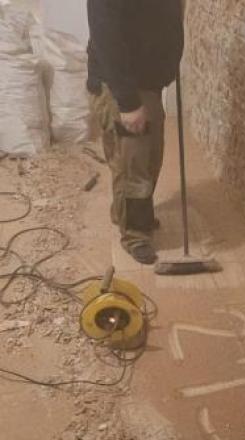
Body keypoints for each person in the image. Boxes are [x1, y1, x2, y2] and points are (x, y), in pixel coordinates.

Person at [87, 0, 184, 264]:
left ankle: (127, 214)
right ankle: (135, 235)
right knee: (133, 165)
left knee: (151, 158)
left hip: (148, 85)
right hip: (123, 89)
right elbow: (106, 39)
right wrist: (128, 103)